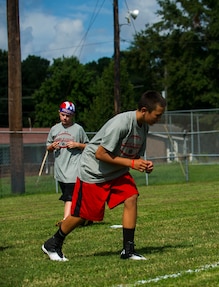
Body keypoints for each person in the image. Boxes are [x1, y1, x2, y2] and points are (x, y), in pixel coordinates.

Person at [42, 91, 167, 261]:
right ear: (144, 110)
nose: (159, 119)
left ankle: (128, 250)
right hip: (94, 171)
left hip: (116, 171)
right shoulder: (121, 123)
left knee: (131, 196)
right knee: (83, 215)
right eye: (157, 115)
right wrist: (132, 164)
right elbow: (100, 154)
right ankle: (52, 243)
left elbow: (133, 156)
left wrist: (143, 164)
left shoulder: (143, 126)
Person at [46, 101, 89, 226]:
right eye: (63, 115)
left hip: (74, 168)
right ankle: (85, 218)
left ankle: (66, 221)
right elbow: (48, 147)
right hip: (60, 169)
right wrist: (52, 146)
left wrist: (77, 145)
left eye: (68, 115)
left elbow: (89, 146)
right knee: (71, 195)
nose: (65, 118)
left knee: (69, 196)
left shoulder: (78, 129)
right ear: (59, 113)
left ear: (73, 116)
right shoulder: (54, 129)